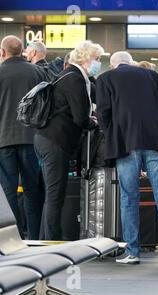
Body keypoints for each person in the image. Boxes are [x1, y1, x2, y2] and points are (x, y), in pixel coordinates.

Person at [96, 51, 158, 265]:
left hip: (125, 145)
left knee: (129, 198)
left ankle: (133, 251)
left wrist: (110, 134)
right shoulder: (149, 75)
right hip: (154, 142)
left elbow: (103, 113)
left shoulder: (105, 78)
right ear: (131, 63)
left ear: (114, 65)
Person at [34, 40, 103, 240]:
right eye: (97, 59)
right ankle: (52, 242)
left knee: (52, 194)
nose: (99, 63)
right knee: (56, 195)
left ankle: (45, 238)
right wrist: (94, 122)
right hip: (56, 141)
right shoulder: (75, 78)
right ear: (86, 59)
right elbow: (80, 117)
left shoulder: (68, 75)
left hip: (47, 139)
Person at [0, 35, 46, 240]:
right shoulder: (38, 71)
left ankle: (13, 237)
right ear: (23, 52)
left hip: (3, 140)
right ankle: (34, 237)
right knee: (32, 190)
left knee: (9, 191)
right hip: (32, 139)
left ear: (3, 52)